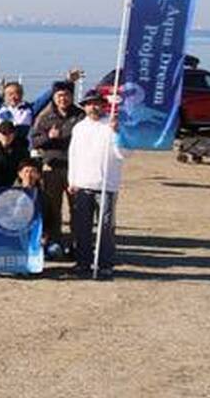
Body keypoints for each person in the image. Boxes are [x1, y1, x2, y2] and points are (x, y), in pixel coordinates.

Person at [67, 90, 127, 279]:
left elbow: (124, 154)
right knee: (82, 227)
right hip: (83, 184)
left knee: (105, 227)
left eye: (97, 103)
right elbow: (73, 155)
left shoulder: (112, 125)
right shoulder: (79, 128)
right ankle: (83, 262)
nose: (93, 107)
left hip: (106, 185)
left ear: (104, 105)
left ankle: (105, 263)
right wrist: (72, 180)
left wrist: (117, 134)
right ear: (84, 107)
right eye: (89, 104)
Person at [0, 52, 82, 146]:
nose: (13, 97)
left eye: (17, 93)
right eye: (10, 94)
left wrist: (68, 81)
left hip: (22, 150)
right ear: (5, 96)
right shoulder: (0, 108)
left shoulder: (29, 110)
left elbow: (48, 95)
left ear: (22, 94)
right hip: (1, 147)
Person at [31, 80, 84, 258]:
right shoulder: (45, 117)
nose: (63, 99)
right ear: (54, 97)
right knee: (53, 208)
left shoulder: (80, 116)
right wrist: (48, 137)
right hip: (52, 168)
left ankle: (78, 244)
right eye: (59, 95)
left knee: (77, 208)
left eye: (67, 95)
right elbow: (34, 141)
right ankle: (55, 242)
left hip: (75, 168)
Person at [0, 121, 30, 187]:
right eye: (4, 133)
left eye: (10, 133)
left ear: (14, 134)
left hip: (13, 185)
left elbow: (24, 166)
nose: (7, 136)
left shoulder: (20, 150)